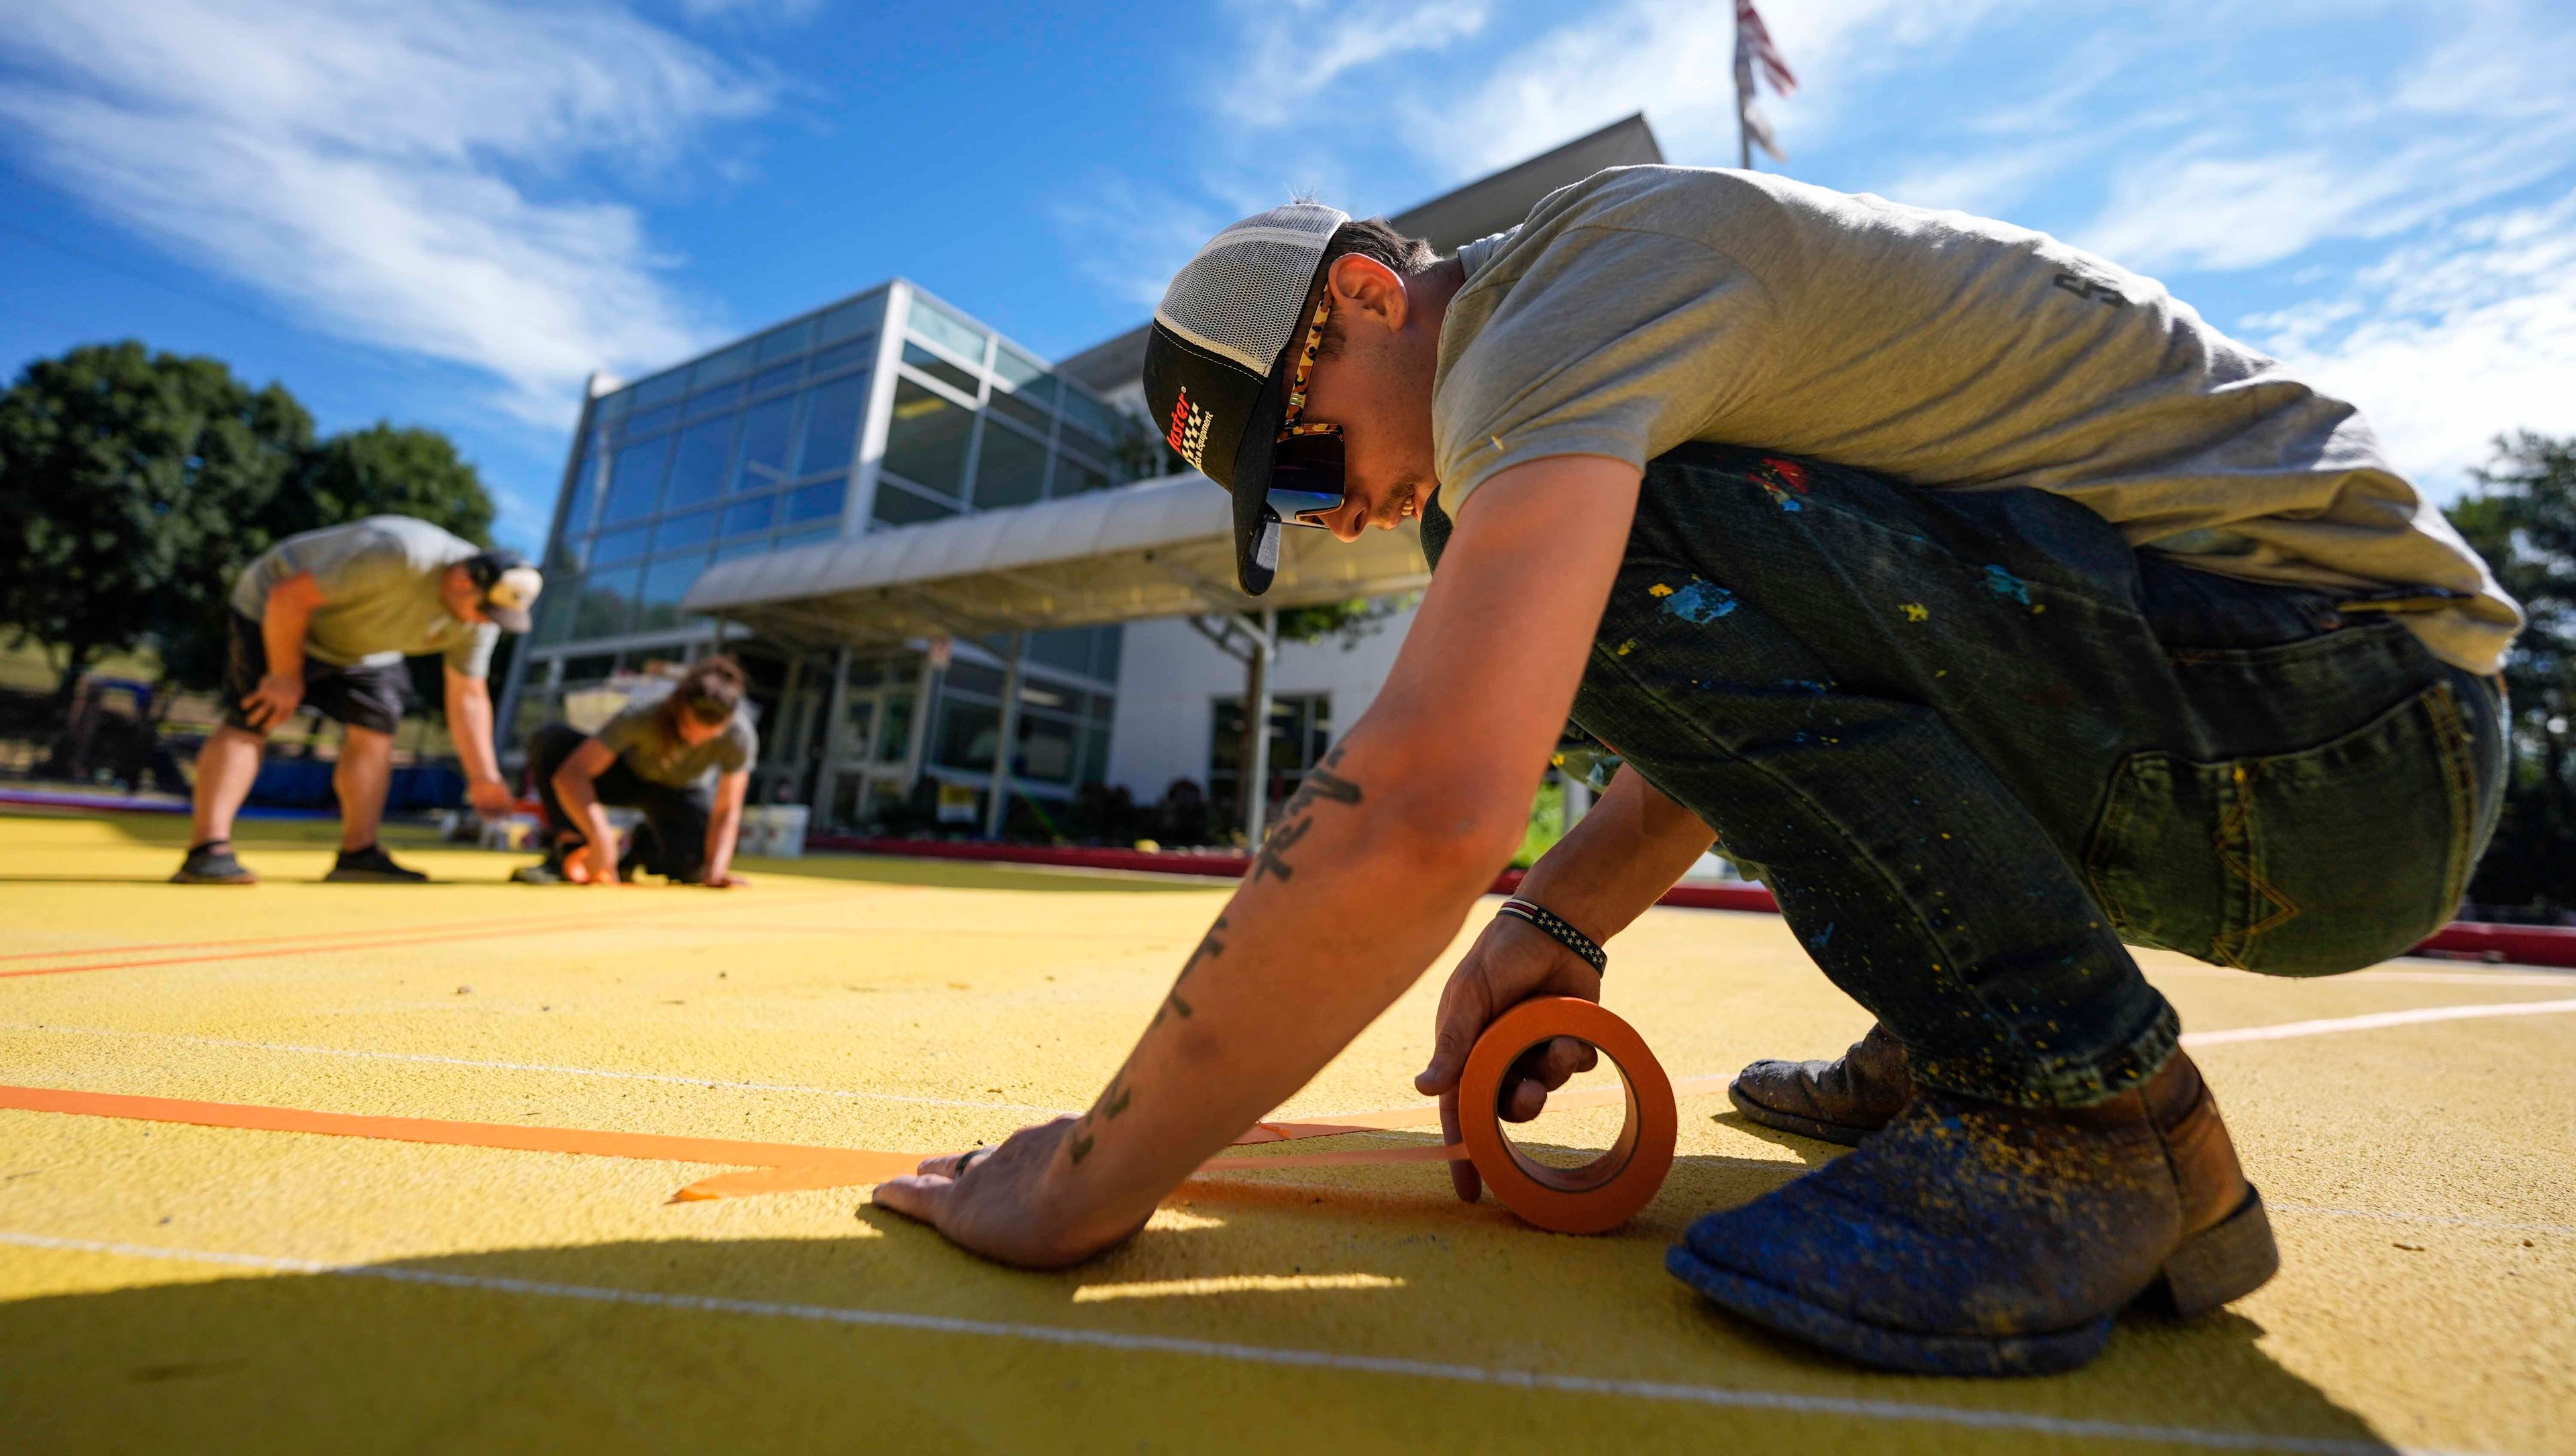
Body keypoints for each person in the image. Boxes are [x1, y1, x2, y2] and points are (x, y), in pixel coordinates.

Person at [869, 168, 2518, 1378]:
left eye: (1301, 458)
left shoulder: (1556, 310)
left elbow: (1434, 800)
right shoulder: (1608, 316)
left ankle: (2075, 1109)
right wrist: (1564, 917)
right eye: (1287, 510)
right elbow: (1798, 675)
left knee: (1570, 552)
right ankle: (1985, 1037)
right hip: (2323, 731)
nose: (1336, 513)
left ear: (1368, 296)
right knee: (1625, 548)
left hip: (2331, 716)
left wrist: (1091, 1174)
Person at [174, 516, 538, 884]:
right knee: (255, 715)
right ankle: (208, 849)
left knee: (377, 726)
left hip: (364, 648)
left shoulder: (480, 619)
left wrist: (483, 776)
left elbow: (469, 696)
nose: (486, 624)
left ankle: (358, 853)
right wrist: (284, 674)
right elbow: (290, 596)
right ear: (463, 582)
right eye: (485, 612)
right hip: (278, 608)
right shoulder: (400, 554)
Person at [514, 655, 757, 889]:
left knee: (693, 864)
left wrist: (714, 871)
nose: (694, 740)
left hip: (679, 792)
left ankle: (642, 848)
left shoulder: (739, 736)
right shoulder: (643, 714)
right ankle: (570, 849)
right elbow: (574, 773)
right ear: (678, 708)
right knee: (553, 744)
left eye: (707, 736)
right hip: (628, 777)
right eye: (688, 729)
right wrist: (600, 836)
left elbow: (726, 810)